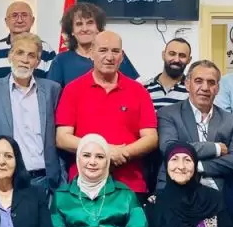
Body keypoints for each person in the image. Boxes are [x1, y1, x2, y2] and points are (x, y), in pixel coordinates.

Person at [56, 31, 158, 203]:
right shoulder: (73, 90)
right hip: (84, 186)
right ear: (91, 53)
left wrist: (122, 153)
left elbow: (151, 138)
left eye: (115, 51)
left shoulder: (139, 91)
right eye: (103, 50)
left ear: (122, 56)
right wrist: (104, 152)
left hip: (130, 185)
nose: (109, 57)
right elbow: (62, 138)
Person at [0, 33, 64, 193]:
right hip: (6, 180)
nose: (25, 60)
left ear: (37, 62)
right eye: (20, 53)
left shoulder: (52, 90)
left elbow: (58, 136)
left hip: (45, 181)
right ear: (10, 56)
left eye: (31, 55)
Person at [155, 60, 233, 193]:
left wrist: (199, 166)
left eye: (211, 82)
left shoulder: (230, 120)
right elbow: (170, 148)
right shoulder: (168, 114)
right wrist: (215, 148)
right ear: (187, 84)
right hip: (175, 187)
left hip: (218, 190)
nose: (205, 88)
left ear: (217, 88)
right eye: (198, 81)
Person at [47, 2, 139, 87]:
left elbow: (133, 90)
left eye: (90, 23)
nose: (85, 29)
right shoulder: (61, 60)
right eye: (79, 24)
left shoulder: (115, 55)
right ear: (72, 31)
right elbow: (51, 94)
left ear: (98, 28)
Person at [0, 1, 56, 89]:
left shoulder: (46, 49)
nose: (20, 20)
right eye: (14, 15)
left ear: (32, 20)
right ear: (6, 21)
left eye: (24, 15)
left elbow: (51, 88)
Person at [143, 38, 192, 110]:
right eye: (172, 54)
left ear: (189, 60)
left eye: (182, 56)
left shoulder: (193, 90)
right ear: (163, 55)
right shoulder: (144, 89)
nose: (176, 60)